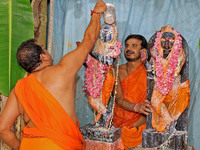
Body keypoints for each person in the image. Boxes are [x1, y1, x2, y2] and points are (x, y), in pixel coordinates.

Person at [0, 1, 106, 150]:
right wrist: (97, 13)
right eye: (44, 49)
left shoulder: (19, 89)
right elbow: (89, 39)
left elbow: (3, 129)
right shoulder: (64, 69)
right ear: (43, 56)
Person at [112, 34, 152, 149]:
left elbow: (153, 103)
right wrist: (137, 107)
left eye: (134, 46)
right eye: (127, 46)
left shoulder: (150, 72)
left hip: (141, 126)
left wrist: (136, 123)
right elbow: (119, 99)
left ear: (143, 50)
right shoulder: (116, 71)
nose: (129, 49)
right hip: (119, 125)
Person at [149, 25, 190, 132]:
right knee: (154, 102)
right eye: (164, 40)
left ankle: (167, 122)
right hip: (160, 83)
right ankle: (168, 121)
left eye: (170, 40)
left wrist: (158, 58)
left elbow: (175, 70)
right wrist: (151, 59)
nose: (166, 43)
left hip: (173, 85)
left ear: (175, 41)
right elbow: (153, 69)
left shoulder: (179, 53)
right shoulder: (158, 51)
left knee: (157, 102)